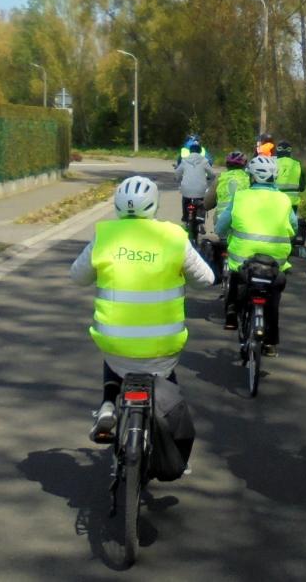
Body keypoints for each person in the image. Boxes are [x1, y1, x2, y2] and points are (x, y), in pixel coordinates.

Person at [70, 175, 214, 440]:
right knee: (166, 378)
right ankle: (172, 439)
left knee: (115, 354)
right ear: (155, 205)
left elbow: (77, 277)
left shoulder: (105, 235)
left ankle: (108, 404)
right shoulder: (174, 236)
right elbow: (206, 280)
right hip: (163, 345)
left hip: (115, 342)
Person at [216, 156, 297, 353]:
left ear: (251, 177)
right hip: (275, 263)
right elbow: (293, 226)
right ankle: (270, 343)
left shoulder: (240, 196)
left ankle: (232, 315)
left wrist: (222, 233)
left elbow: (222, 225)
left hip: (243, 260)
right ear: (274, 177)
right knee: (274, 297)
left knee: (236, 279)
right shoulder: (284, 200)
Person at [203, 150, 250, 229]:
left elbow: (207, 203)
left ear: (227, 165)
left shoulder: (221, 178)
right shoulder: (248, 179)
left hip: (221, 223)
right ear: (245, 165)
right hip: (242, 223)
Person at [175, 142, 214, 233]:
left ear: (190, 151)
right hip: (200, 190)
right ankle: (200, 223)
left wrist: (178, 179)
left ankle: (185, 220)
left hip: (186, 189)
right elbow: (212, 174)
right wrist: (209, 178)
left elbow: (177, 173)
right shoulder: (204, 161)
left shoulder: (184, 161)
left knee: (185, 200)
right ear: (200, 151)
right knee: (201, 203)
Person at [275, 141, 306, 213]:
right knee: (292, 223)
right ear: (289, 152)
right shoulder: (297, 165)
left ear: (278, 151)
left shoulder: (273, 163)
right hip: (292, 204)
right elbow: (302, 188)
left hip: (276, 202)